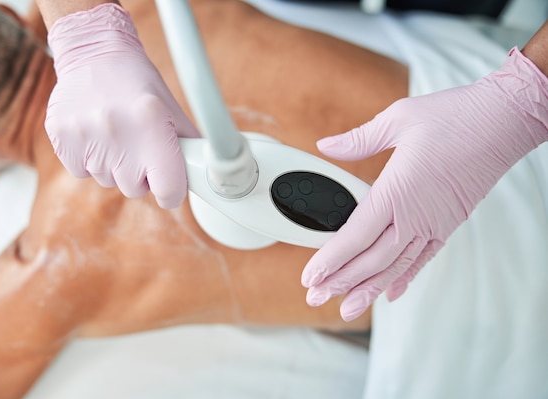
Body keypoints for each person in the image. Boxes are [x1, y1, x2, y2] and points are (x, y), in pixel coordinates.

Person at [0, 0, 407, 399]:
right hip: (465, 123)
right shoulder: (152, 10)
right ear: (17, 15)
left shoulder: (53, 266)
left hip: (439, 295)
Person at [37, 0, 548, 322]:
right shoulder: (167, 12)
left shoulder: (48, 262)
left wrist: (520, 103)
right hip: (464, 64)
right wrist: (80, 27)